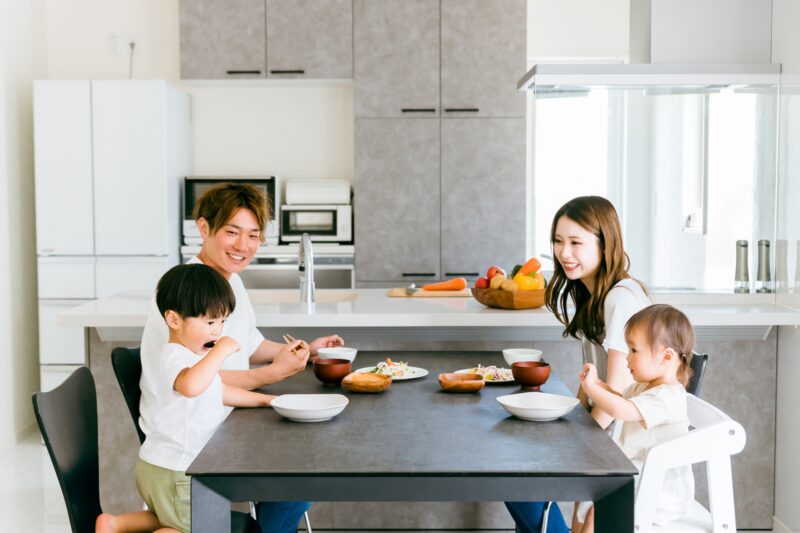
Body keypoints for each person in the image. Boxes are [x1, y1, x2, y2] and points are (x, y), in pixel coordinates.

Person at [139, 182, 343, 532]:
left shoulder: (229, 282)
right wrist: (270, 376)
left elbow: (248, 345)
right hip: (196, 438)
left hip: (221, 420)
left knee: (302, 464)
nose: (243, 246)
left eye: (252, 235)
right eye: (232, 232)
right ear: (204, 229)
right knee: (296, 477)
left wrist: (304, 351)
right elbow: (203, 379)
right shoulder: (189, 292)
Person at [506, 196, 651, 533]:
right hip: (613, 436)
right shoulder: (593, 295)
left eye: (576, 242)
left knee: (518, 479)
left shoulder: (620, 298)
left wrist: (571, 445)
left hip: (629, 446)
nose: (564, 253)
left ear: (605, 244)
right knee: (517, 471)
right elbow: (592, 386)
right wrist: (564, 422)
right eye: (558, 241)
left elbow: (614, 396)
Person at [98, 263, 279, 533]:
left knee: (169, 515)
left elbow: (219, 391)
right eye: (209, 322)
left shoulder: (195, 358)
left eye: (222, 322)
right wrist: (221, 352)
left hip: (160, 468)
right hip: (178, 472)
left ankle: (115, 524)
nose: (217, 331)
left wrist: (266, 401)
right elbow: (191, 386)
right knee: (193, 527)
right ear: (173, 320)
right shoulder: (175, 356)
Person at [573, 304, 696, 532]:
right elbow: (619, 399)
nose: (626, 358)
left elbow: (621, 410)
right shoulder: (645, 387)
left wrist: (592, 389)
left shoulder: (667, 397)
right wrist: (599, 384)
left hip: (663, 489)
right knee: (589, 495)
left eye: (633, 350)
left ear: (666, 356)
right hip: (642, 475)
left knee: (600, 506)